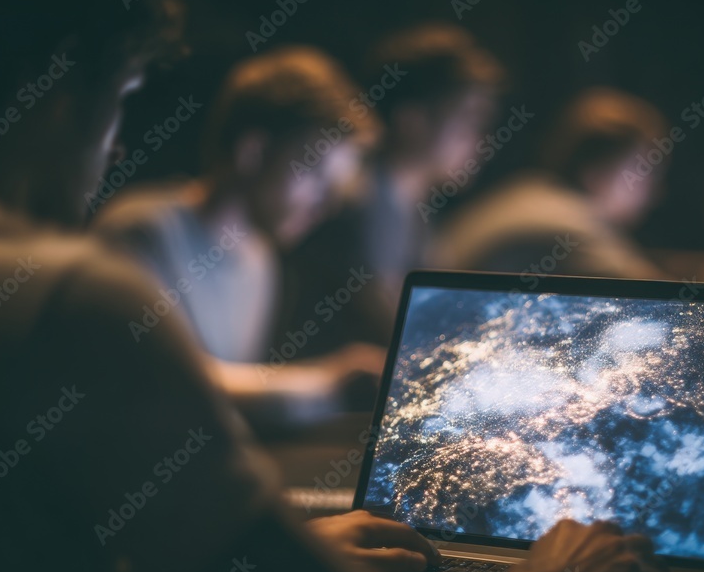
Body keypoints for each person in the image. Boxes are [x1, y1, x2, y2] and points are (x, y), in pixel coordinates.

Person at [0, 0, 669, 572]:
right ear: (51, 93)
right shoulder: (71, 295)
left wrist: (249, 559)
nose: (119, 146)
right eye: (124, 97)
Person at [92, 47, 385, 428]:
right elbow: (161, 382)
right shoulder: (140, 230)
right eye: (316, 177)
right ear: (253, 152)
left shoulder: (262, 260)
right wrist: (327, 385)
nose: (325, 207)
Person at [279, 23, 505, 357]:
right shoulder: (364, 203)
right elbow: (401, 334)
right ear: (410, 119)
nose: (481, 140)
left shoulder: (412, 208)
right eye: (469, 119)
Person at [434, 87, 669, 280]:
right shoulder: (571, 221)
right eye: (646, 170)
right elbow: (657, 295)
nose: (654, 191)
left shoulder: (532, 189)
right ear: (596, 170)